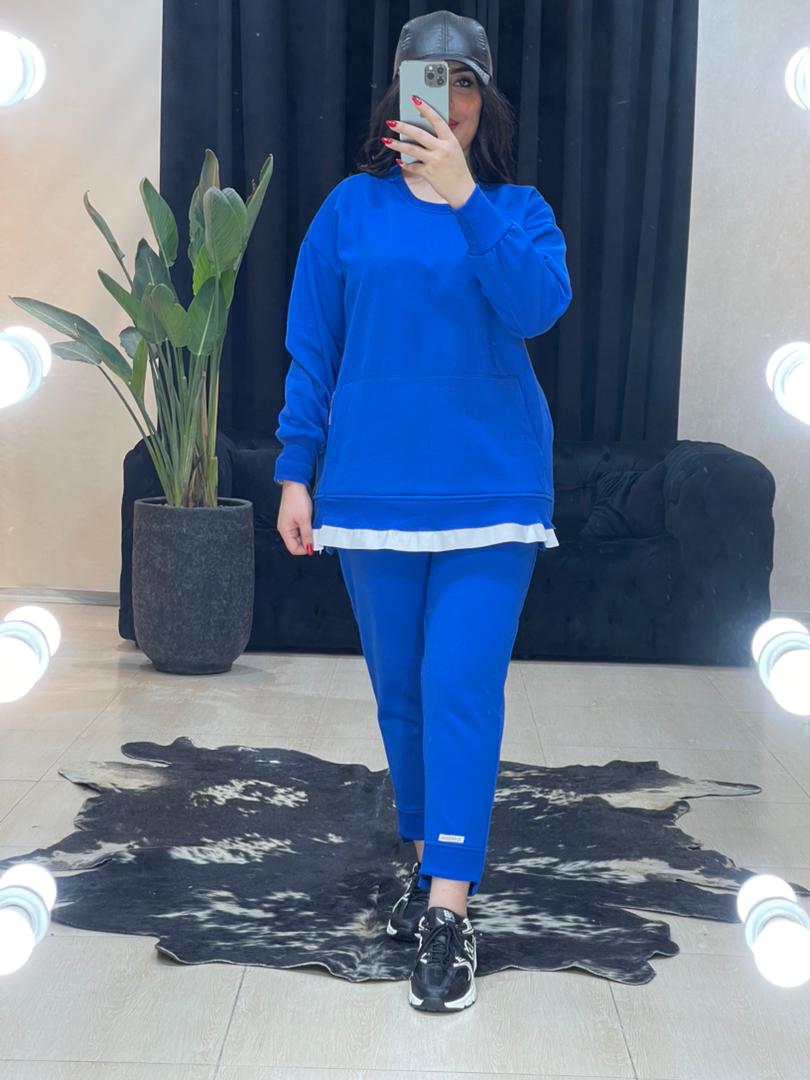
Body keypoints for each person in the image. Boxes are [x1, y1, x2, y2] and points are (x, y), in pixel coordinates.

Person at [274, 10, 572, 1013]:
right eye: (428, 78)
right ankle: (428, 859)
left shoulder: (517, 209)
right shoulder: (348, 211)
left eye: (464, 82)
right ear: (398, 92)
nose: (447, 98)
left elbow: (538, 306)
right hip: (372, 490)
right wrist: (296, 471)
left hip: (493, 491)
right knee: (401, 695)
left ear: (486, 99)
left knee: (457, 687)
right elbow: (313, 346)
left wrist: (464, 198)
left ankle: (449, 907)